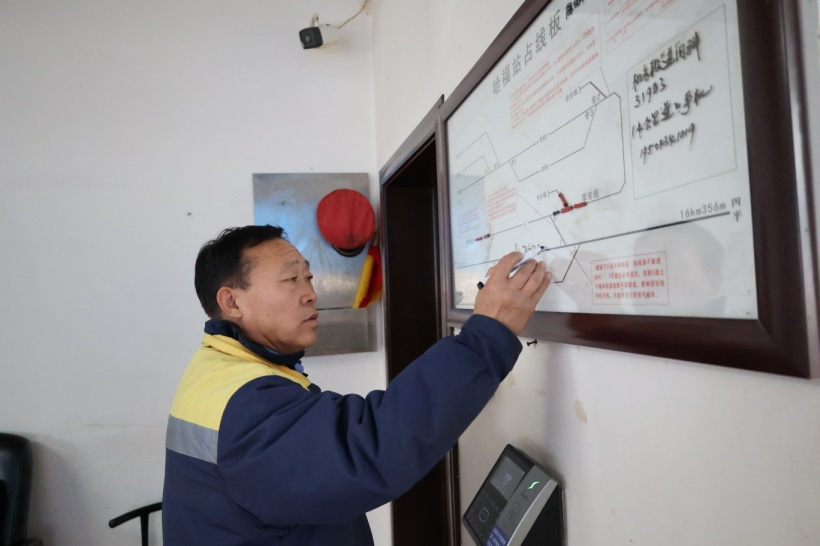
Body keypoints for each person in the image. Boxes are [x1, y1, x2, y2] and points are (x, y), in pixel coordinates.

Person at [163, 225, 551, 546]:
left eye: (308, 277)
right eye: (291, 279)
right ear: (232, 303)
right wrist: (487, 335)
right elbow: (368, 448)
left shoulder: (217, 367)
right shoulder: (244, 402)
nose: (310, 293)